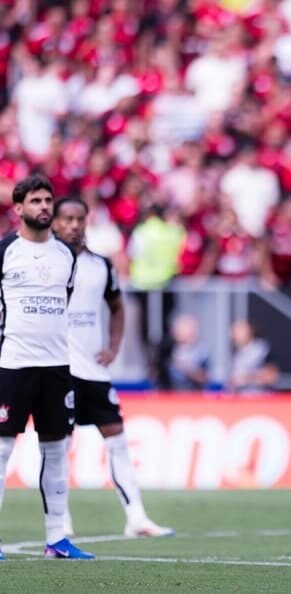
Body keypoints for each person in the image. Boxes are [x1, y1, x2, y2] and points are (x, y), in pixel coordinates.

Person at [52, 197, 174, 538]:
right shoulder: (45, 264)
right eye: (67, 219)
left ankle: (136, 517)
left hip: (95, 371)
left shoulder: (101, 266)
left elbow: (117, 307)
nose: (74, 225)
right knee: (59, 444)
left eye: (80, 219)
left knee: (117, 440)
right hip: (59, 370)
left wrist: (114, 346)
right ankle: (59, 521)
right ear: (55, 223)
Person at [0, 175, 94, 559]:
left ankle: (57, 538)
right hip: (13, 366)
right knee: (2, 450)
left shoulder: (66, 256)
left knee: (57, 451)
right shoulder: (5, 251)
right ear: (19, 208)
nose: (43, 207)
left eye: (47, 200)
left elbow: (64, 302)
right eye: (35, 201)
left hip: (57, 367)